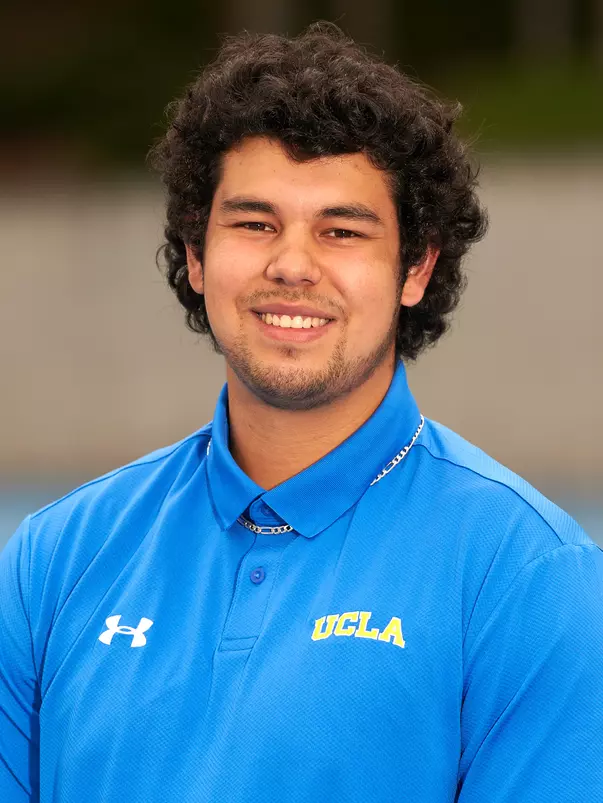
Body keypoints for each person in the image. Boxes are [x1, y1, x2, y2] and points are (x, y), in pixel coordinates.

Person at [1, 21, 601, 803]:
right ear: (195, 252)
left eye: (340, 231)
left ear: (415, 268)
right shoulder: (54, 557)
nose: (291, 265)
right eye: (254, 224)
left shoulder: (527, 575)